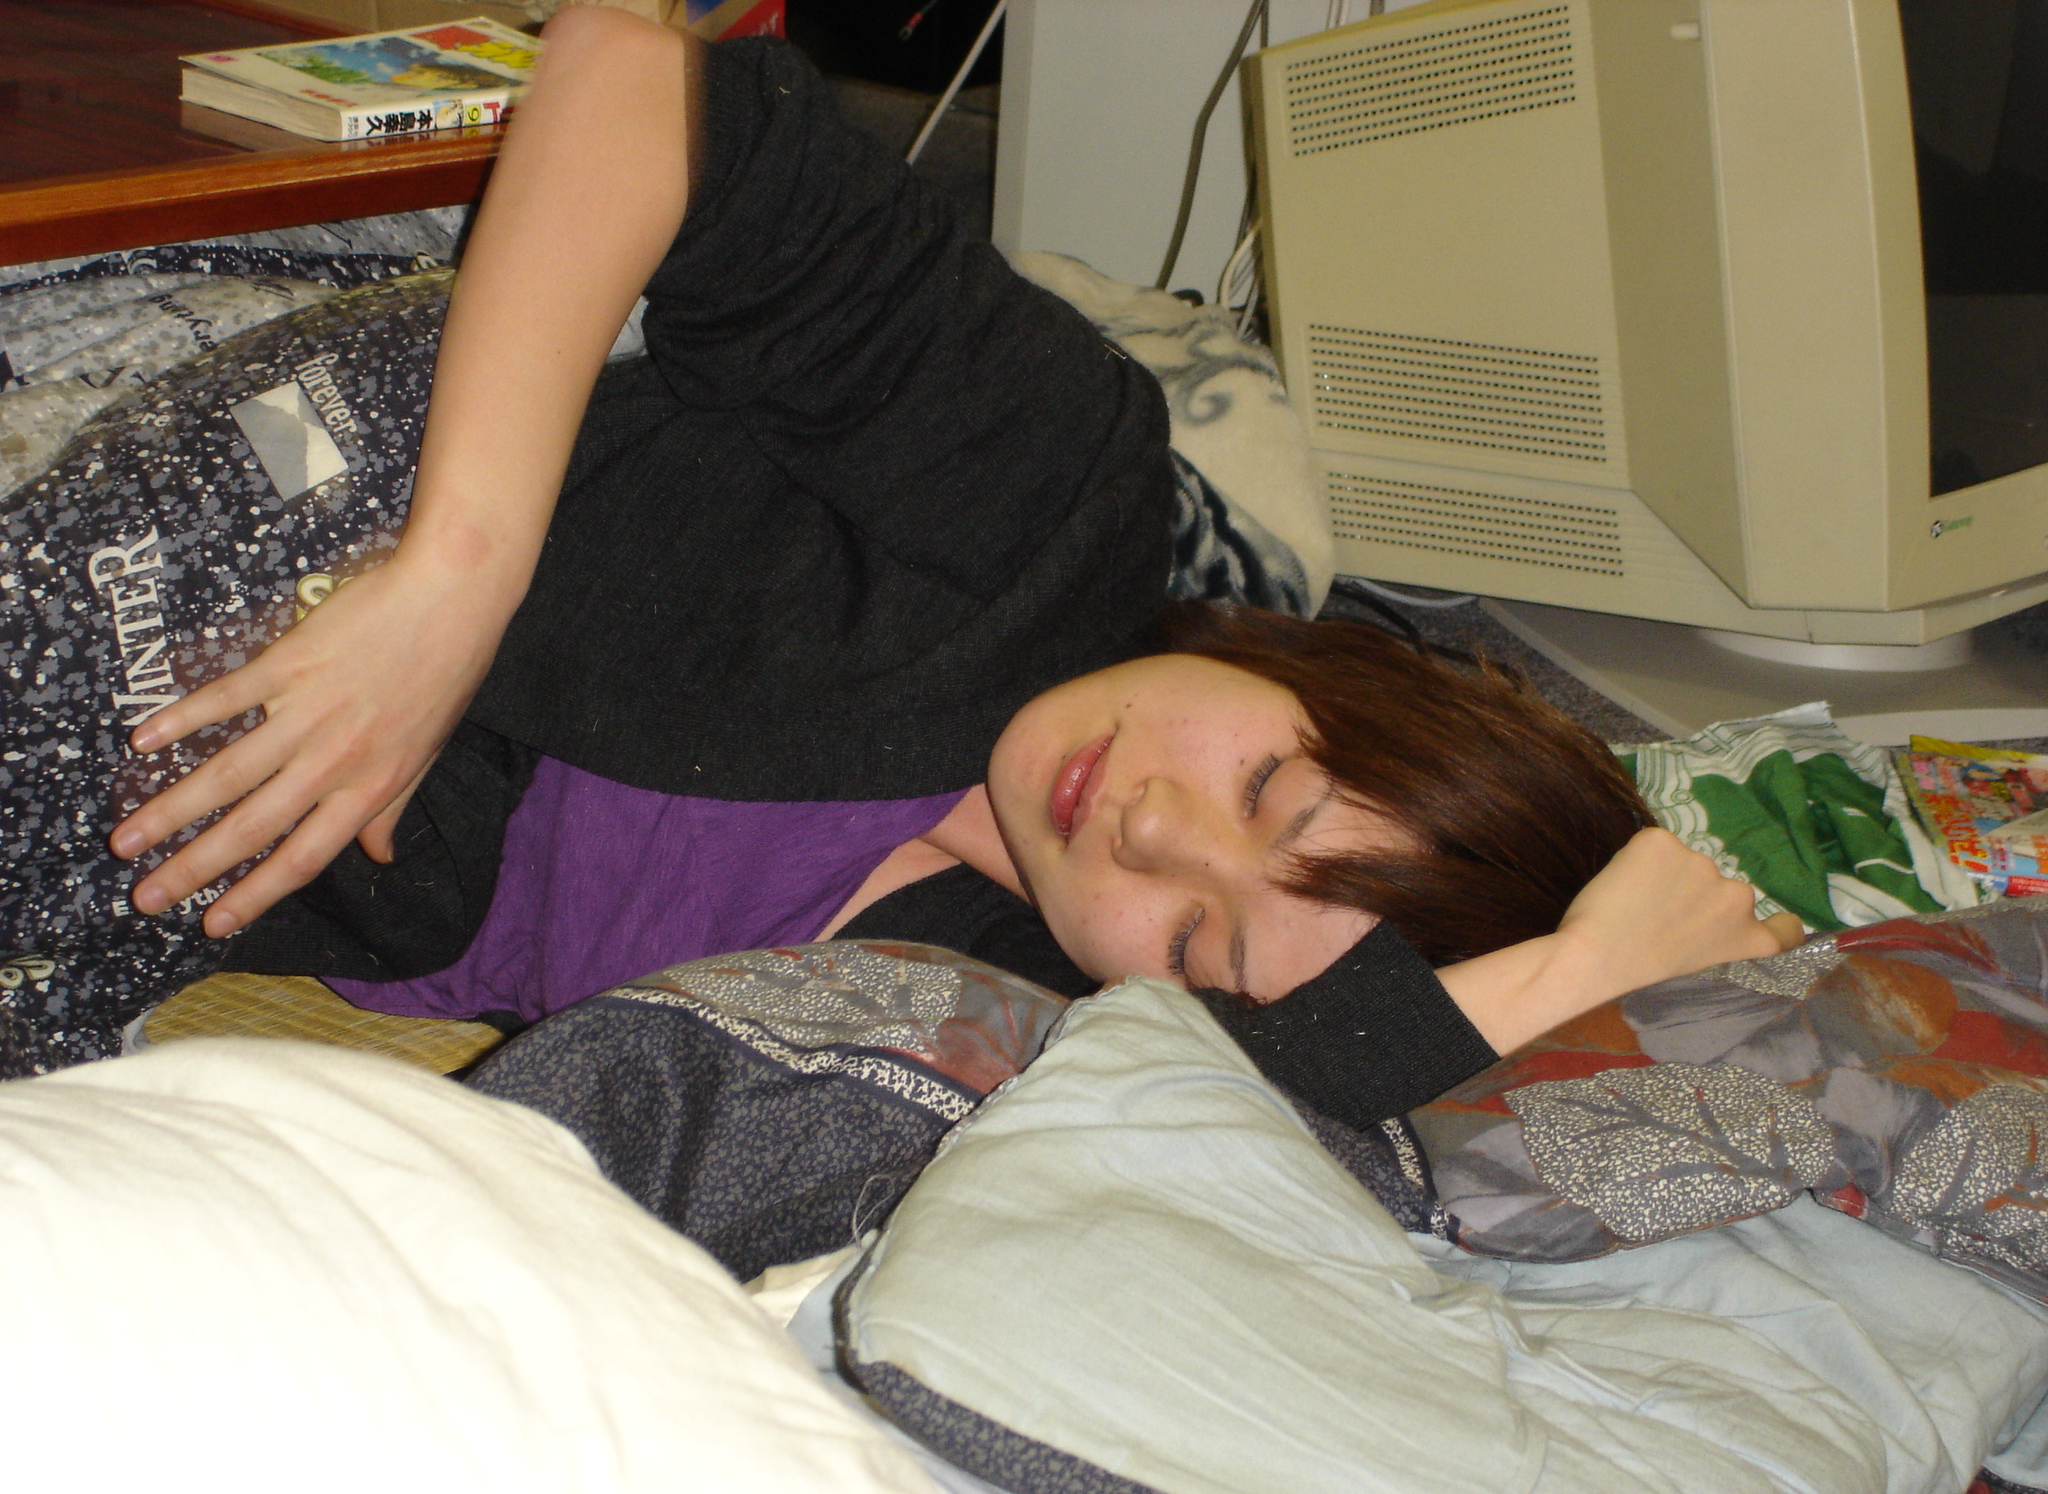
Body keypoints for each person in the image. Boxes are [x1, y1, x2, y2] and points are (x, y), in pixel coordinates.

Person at [3, 8, 1796, 1104]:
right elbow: (645, 77)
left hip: (119, 860)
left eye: (1192, 942)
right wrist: (452, 581)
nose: (1147, 833)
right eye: (1268, 788)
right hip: (221, 515)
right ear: (1323, 675)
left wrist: (1561, 989)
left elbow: (1187, 1164)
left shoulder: (985, 989)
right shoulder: (1042, 513)